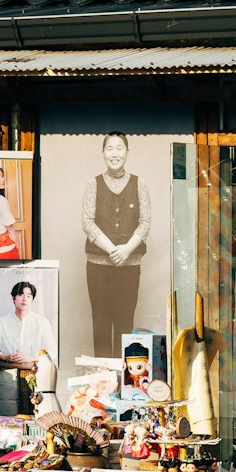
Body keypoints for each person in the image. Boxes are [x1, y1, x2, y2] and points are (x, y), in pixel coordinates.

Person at [81, 132, 151, 355]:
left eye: (119, 148)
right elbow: (87, 223)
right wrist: (113, 250)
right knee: (100, 321)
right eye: (109, 149)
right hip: (97, 265)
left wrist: (127, 250)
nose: (114, 154)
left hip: (130, 266)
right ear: (103, 153)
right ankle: (103, 381)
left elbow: (145, 222)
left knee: (124, 321)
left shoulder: (140, 183)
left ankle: (123, 382)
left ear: (127, 152)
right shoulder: (93, 184)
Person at [0, 280, 57, 363]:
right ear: (13, 298)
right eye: (20, 295)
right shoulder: (2, 321)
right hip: (9, 370)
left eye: (28, 296)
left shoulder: (42, 322)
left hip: (35, 372)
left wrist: (31, 358)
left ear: (32, 300)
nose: (24, 299)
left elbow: (53, 352)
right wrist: (6, 357)